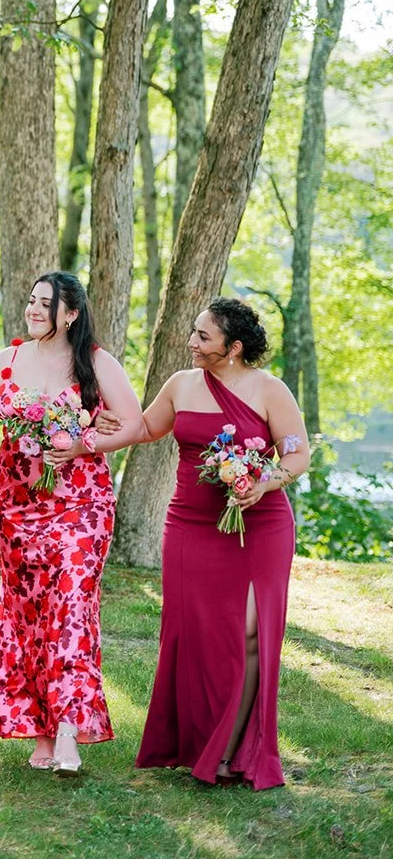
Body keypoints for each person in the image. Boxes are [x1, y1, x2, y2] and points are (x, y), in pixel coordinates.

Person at [97, 297, 308, 789]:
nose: (191, 342)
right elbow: (147, 428)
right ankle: (197, 742)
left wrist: (265, 481)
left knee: (251, 635)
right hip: (190, 524)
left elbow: (297, 456)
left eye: (203, 337)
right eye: (193, 332)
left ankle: (232, 750)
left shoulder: (269, 390)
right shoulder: (181, 384)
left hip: (260, 524)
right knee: (197, 636)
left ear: (233, 347)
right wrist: (103, 427)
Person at [0, 272, 141, 777]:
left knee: (70, 602)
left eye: (45, 304)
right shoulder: (5, 361)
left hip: (81, 501)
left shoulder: (95, 362)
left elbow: (133, 423)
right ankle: (41, 734)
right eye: (31, 301)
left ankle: (69, 733)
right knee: (28, 612)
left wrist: (81, 445)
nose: (33, 310)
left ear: (69, 314)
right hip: (17, 502)